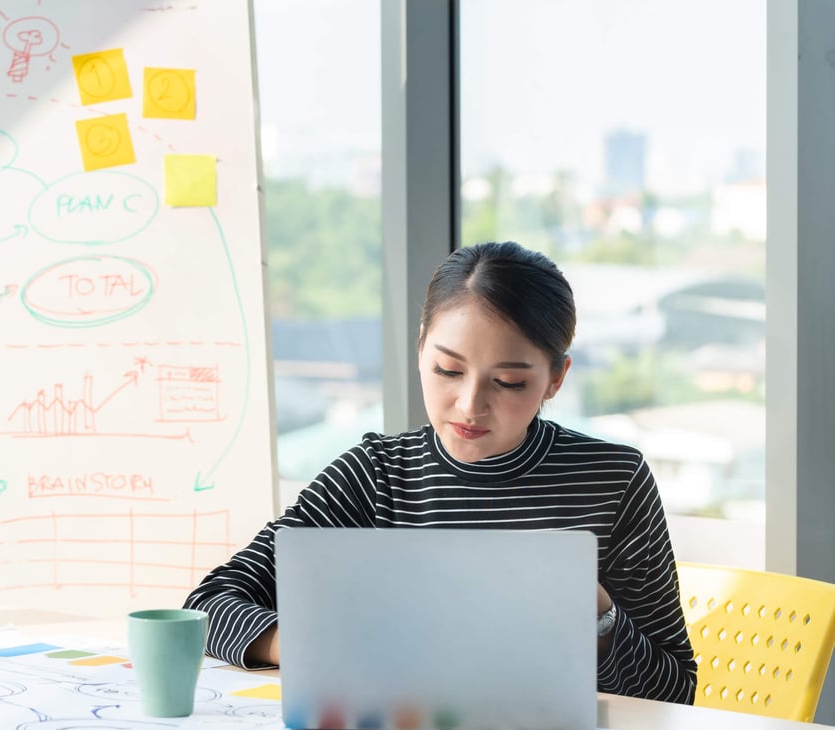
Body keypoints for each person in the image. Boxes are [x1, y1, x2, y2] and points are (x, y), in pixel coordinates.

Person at [184, 240, 697, 705]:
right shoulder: (376, 475)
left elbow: (675, 689)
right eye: (448, 371)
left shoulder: (612, 479)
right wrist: (307, 645)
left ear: (555, 379)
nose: (469, 405)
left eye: (510, 382)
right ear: (421, 348)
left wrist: (599, 615)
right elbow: (207, 606)